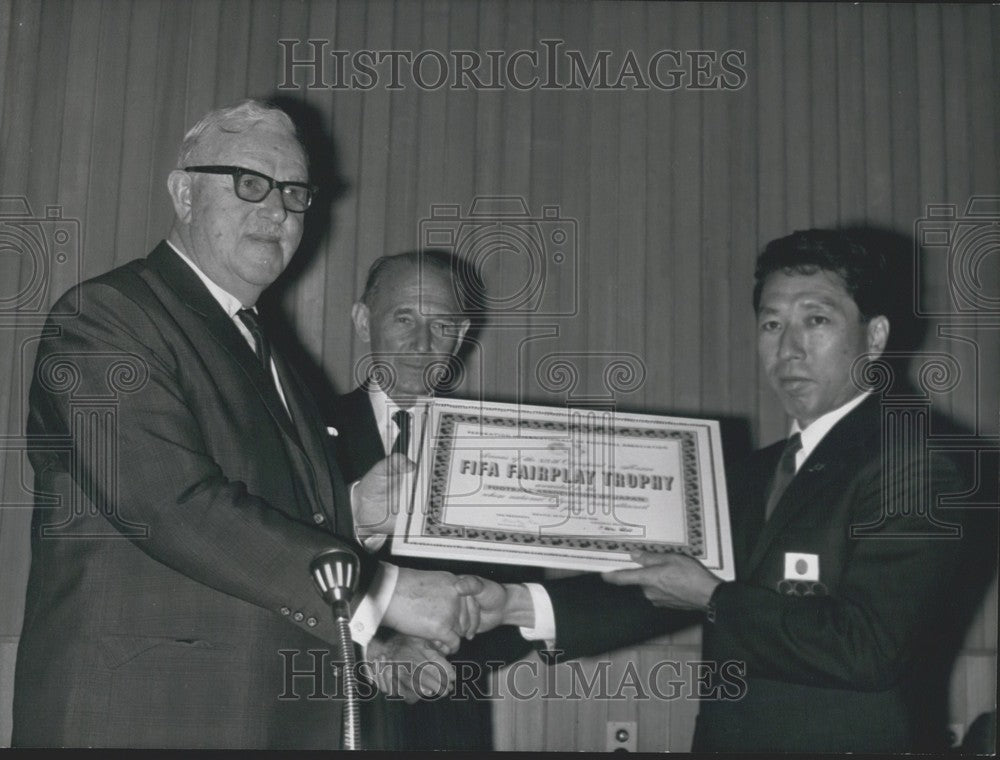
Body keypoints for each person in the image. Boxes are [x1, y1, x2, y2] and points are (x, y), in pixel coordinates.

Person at [12, 100, 482, 749]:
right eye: (249, 183)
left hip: (252, 716)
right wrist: (384, 590)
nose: (277, 210)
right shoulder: (108, 318)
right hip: (140, 717)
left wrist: (349, 511)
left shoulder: (267, 352)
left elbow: (252, 521)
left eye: (294, 192)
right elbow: (172, 509)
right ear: (183, 193)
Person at [466, 229, 971, 753]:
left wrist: (711, 597)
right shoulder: (754, 472)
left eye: (816, 320)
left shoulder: (916, 463)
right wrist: (515, 605)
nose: (789, 348)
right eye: (772, 324)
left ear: (875, 336)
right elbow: (663, 586)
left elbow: (869, 647)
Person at [330, 250, 536, 750]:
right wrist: (380, 648)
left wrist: (441, 652)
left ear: (461, 335)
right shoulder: (302, 430)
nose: (422, 344)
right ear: (363, 321)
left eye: (442, 325)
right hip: (323, 712)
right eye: (404, 318)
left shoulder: (498, 448)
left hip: (448, 721)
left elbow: (522, 596)